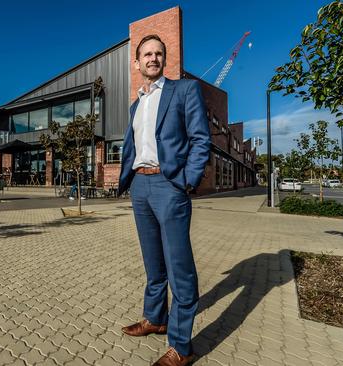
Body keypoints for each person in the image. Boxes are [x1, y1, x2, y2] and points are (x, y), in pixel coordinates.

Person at [117, 34, 211, 366]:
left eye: (158, 53)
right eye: (147, 54)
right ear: (137, 62)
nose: (153, 58)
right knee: (153, 262)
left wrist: (187, 180)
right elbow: (133, 146)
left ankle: (182, 346)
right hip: (140, 188)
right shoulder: (137, 103)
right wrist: (125, 178)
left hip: (169, 185)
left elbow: (201, 140)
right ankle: (155, 318)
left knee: (179, 267)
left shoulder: (184, 91)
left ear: (164, 59)